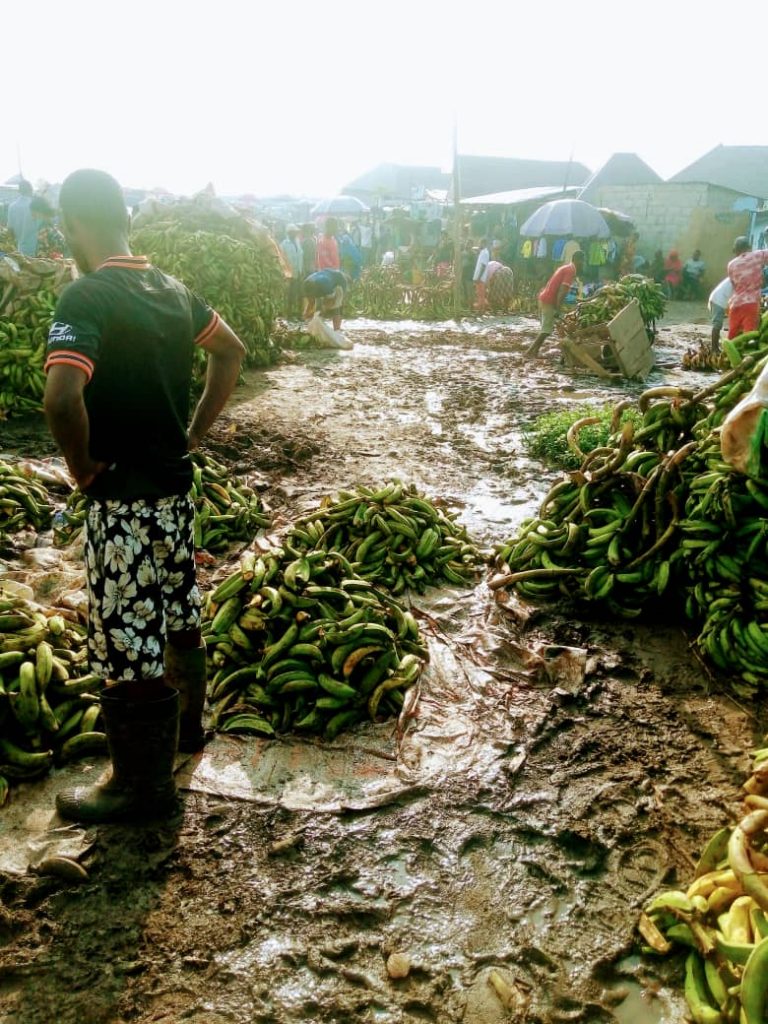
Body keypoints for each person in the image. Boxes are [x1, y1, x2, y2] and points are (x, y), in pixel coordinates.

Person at [43, 169, 245, 824]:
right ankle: (189, 732)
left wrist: (81, 469)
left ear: (75, 224)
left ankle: (140, 785)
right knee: (179, 609)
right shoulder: (171, 289)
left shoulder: (88, 297)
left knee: (130, 636)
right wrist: (192, 434)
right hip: (173, 492)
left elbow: (62, 398)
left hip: (122, 494)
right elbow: (230, 352)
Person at [526, 250, 585, 357]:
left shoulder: (565, 267)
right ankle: (530, 352)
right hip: (549, 299)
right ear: (577, 260)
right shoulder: (571, 270)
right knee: (546, 330)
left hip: (545, 297)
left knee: (546, 328)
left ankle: (534, 351)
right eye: (582, 261)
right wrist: (558, 308)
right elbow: (562, 291)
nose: (583, 264)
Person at [727, 236, 768, 339]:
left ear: (736, 250)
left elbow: (734, 285)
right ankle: (747, 355)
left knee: (733, 334)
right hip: (751, 303)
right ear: (749, 247)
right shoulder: (758, 255)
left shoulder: (731, 265)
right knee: (749, 335)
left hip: (735, 304)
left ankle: (727, 353)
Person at [7, 179, 38, 257]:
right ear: (31, 190)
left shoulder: (12, 207)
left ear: (19, 191)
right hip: (35, 249)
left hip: (20, 249)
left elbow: (10, 230)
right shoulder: (34, 206)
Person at [280, 224, 304, 319]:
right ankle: (289, 314)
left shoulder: (298, 242)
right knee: (290, 294)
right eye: (293, 233)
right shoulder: (284, 244)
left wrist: (301, 270)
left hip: (298, 271)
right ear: (289, 233)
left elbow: (300, 256)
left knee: (300, 294)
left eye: (295, 232)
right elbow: (282, 260)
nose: (294, 234)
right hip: (289, 273)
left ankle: (299, 313)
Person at [708, 276, 733, 352]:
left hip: (723, 300)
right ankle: (714, 348)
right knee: (717, 323)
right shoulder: (738, 277)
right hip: (718, 300)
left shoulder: (738, 275)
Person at [473, 238, 491, 312]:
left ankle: (481, 310)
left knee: (480, 295)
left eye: (480, 243)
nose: (479, 245)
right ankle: (481, 309)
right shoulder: (483, 252)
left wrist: (478, 277)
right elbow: (474, 248)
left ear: (483, 244)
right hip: (479, 277)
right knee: (479, 294)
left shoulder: (485, 253)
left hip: (480, 277)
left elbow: (483, 266)